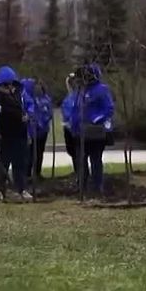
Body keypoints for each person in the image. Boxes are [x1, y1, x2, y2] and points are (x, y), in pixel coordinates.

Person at [0, 65, 33, 201]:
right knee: (2, 163)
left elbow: (29, 104)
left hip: (20, 132)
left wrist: (28, 115)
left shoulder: (20, 92)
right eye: (6, 84)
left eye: (11, 84)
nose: (9, 87)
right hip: (2, 134)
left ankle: (21, 189)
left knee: (20, 162)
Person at [71, 63, 115, 195]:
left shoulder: (101, 90)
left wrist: (96, 119)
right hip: (80, 132)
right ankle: (82, 186)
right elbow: (76, 109)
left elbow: (109, 108)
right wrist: (73, 124)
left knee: (95, 160)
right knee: (81, 160)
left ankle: (97, 186)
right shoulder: (81, 91)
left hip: (94, 132)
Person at [23, 78, 53, 181]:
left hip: (42, 131)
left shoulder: (44, 99)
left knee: (39, 153)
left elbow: (48, 113)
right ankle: (27, 174)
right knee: (30, 154)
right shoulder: (27, 99)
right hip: (31, 131)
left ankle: (36, 173)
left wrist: (41, 123)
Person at [61, 73, 79, 179]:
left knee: (77, 152)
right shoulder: (68, 99)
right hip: (69, 129)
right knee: (73, 152)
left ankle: (80, 173)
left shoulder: (78, 98)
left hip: (75, 129)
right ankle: (79, 172)